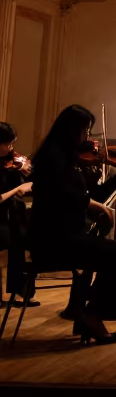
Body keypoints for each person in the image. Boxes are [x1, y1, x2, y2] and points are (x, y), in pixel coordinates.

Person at [28, 105, 116, 345]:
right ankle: (92, 317)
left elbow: (91, 193)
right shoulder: (52, 159)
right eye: (86, 131)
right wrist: (97, 206)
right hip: (54, 240)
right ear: (72, 130)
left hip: (68, 235)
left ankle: (87, 314)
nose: (88, 138)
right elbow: (67, 195)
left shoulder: (66, 158)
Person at [0, 121, 33, 306]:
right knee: (15, 237)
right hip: (1, 216)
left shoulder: (11, 160)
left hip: (10, 214)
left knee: (22, 236)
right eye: (8, 144)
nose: (12, 148)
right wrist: (18, 187)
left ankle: (20, 292)